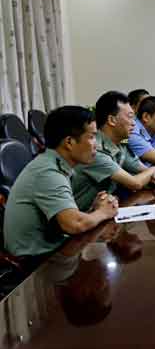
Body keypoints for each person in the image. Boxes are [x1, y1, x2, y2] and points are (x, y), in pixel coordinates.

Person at [3, 106, 119, 258]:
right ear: (69, 142)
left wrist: (93, 210)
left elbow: (65, 218)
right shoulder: (48, 172)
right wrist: (102, 213)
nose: (96, 144)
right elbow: (74, 224)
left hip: (52, 247)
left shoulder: (54, 163)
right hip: (36, 261)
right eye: (91, 137)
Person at [72, 91, 155, 212]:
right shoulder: (95, 151)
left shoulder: (120, 145)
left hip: (104, 209)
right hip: (82, 216)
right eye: (130, 117)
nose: (134, 123)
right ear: (112, 120)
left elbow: (143, 171)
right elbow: (135, 183)